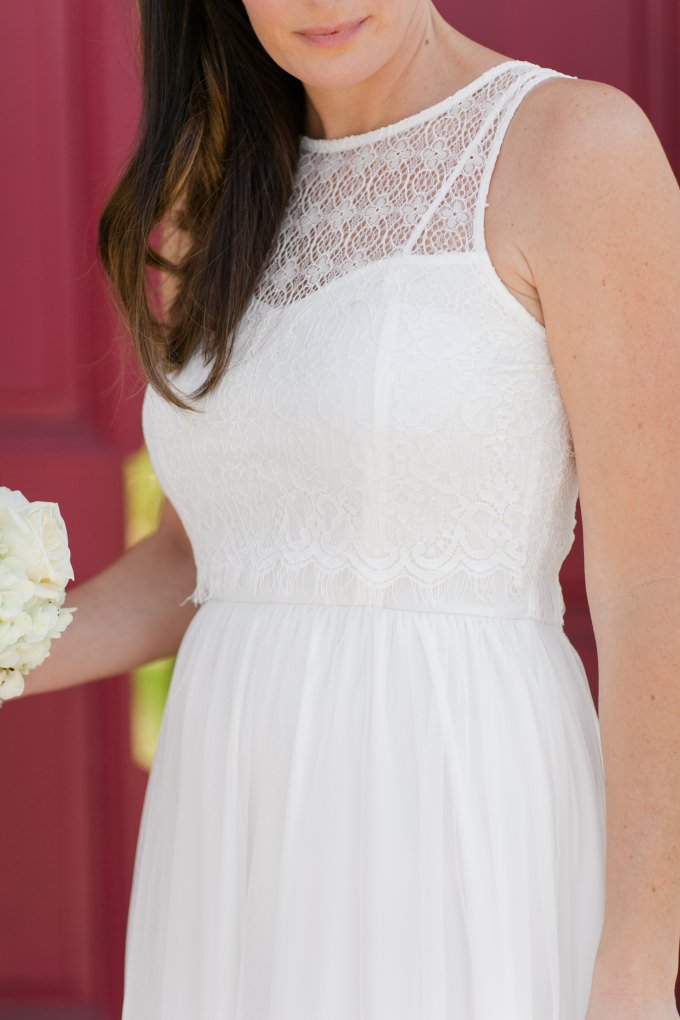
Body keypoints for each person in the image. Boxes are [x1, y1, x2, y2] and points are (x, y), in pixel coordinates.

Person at [21, 1, 680, 1018]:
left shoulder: (571, 151)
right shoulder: (212, 201)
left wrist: (638, 964)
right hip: (229, 821)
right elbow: (206, 561)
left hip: (449, 796)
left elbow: (651, 589)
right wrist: (12, 639)